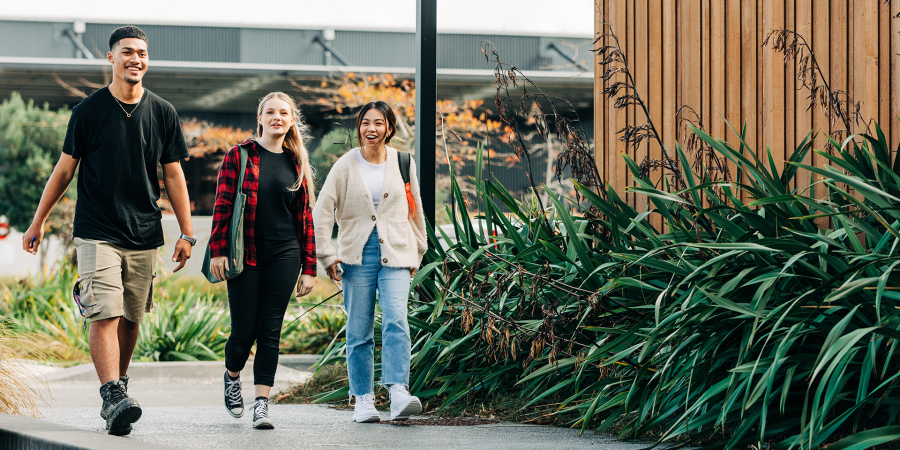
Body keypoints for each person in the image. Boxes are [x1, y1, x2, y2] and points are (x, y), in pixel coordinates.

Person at [21, 26, 194, 435]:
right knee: (104, 312)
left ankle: (118, 388)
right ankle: (112, 393)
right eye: (128, 52)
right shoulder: (89, 111)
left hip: (144, 230)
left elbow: (174, 174)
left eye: (143, 53)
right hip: (97, 229)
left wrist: (187, 232)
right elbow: (65, 170)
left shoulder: (163, 112)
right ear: (111, 58)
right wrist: (39, 219)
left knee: (132, 318)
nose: (137, 59)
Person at [313, 101, 427, 423]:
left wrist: (416, 252)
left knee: (396, 320)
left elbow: (414, 209)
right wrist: (327, 255)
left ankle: (398, 392)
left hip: (396, 254)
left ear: (389, 127)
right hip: (355, 256)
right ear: (359, 127)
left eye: (379, 123)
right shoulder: (345, 165)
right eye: (365, 123)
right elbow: (322, 212)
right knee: (359, 329)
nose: (371, 129)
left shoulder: (404, 161)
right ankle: (362, 398)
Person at [208, 92, 317, 429]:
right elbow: (223, 206)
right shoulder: (238, 156)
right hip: (246, 254)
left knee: (270, 331)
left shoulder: (296, 162)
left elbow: (305, 218)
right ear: (260, 118)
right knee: (243, 333)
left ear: (291, 119)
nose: (277, 118)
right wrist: (218, 250)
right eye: (270, 112)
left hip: (285, 254)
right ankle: (231, 375)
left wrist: (309, 267)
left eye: (284, 113)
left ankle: (261, 405)